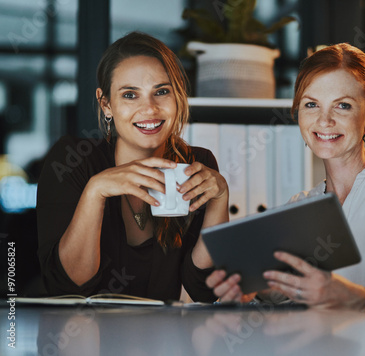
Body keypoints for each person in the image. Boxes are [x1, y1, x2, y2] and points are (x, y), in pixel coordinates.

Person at [207, 43, 365, 318]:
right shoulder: (300, 206)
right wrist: (252, 292)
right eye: (311, 104)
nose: (324, 120)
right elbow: (282, 298)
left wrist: (352, 297)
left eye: (343, 105)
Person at [37, 32, 228, 302]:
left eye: (161, 92)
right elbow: (68, 287)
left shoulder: (197, 165)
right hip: (82, 337)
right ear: (106, 104)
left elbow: (203, 289)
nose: (149, 108)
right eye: (130, 95)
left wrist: (220, 200)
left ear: (178, 97)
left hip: (162, 339)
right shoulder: (72, 160)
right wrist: (96, 191)